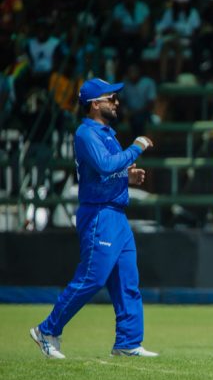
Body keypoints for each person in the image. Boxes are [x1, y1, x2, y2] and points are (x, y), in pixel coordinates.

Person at [30, 78, 157, 359]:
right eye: (111, 98)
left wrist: (127, 177)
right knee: (92, 277)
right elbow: (104, 164)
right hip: (99, 214)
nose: (116, 102)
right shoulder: (86, 133)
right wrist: (135, 147)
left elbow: (107, 172)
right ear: (94, 104)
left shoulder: (107, 133)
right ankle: (47, 330)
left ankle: (128, 342)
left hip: (115, 214)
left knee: (127, 279)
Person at [156, 0, 201, 81]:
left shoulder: (193, 13)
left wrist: (181, 32)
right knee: (165, 48)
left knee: (179, 49)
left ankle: (176, 77)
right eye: (179, 2)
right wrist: (170, 30)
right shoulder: (170, 12)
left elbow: (195, 30)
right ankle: (163, 76)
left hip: (185, 41)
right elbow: (162, 27)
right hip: (171, 39)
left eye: (183, 2)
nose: (182, 4)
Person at [110, 0, 151, 68]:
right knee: (121, 46)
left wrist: (140, 32)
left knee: (138, 46)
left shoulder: (142, 7)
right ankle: (123, 70)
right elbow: (117, 28)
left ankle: (134, 70)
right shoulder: (118, 8)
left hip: (139, 36)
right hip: (124, 36)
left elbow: (145, 28)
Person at [119, 64, 157, 137]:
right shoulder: (124, 83)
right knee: (112, 119)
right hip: (128, 111)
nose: (132, 73)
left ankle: (138, 145)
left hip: (143, 112)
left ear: (139, 72)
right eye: (130, 71)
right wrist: (124, 111)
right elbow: (121, 100)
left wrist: (134, 113)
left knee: (138, 121)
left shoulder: (148, 82)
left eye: (134, 71)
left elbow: (151, 104)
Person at [26, 19, 61, 88]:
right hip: (33, 74)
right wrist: (32, 71)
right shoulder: (30, 43)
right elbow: (28, 62)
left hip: (49, 75)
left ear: (48, 30)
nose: (41, 31)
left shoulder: (55, 43)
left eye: (43, 29)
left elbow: (57, 65)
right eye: (38, 29)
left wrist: (44, 74)